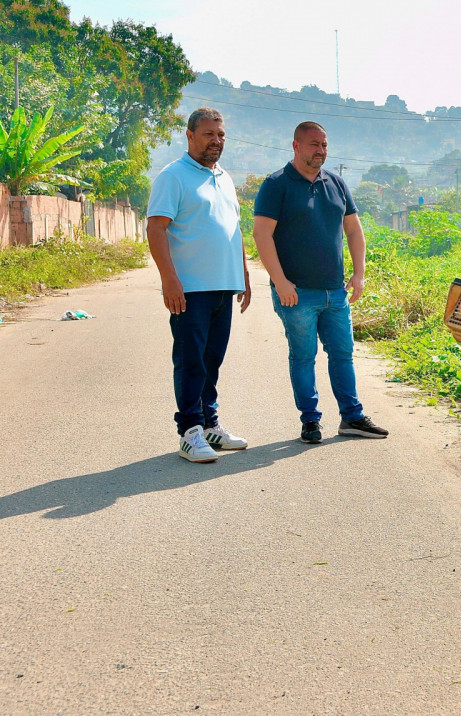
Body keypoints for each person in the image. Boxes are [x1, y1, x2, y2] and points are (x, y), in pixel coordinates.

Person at [252, 122, 388, 444]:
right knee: (303, 357)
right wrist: (281, 282)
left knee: (343, 354)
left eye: (324, 145)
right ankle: (310, 421)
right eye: (314, 144)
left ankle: (352, 417)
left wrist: (359, 273)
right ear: (296, 146)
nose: (321, 151)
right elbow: (262, 235)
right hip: (296, 294)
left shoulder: (336, 183)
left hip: (335, 291)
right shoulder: (276, 184)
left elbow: (354, 230)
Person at [147, 107, 251, 463]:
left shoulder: (224, 177)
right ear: (189, 136)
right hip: (190, 288)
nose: (216, 141)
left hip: (224, 286)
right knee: (191, 361)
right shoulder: (173, 176)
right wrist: (169, 279)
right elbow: (156, 228)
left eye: (220, 135)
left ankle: (209, 425)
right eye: (209, 134)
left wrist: (244, 276)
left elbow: (233, 231)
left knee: (212, 360)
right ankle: (189, 431)